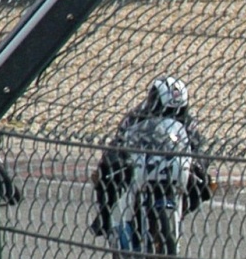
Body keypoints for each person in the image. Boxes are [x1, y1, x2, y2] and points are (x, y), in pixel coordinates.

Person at [89, 75, 214, 236]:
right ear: (154, 103)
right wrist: (116, 159)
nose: (173, 115)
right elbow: (118, 141)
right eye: (168, 111)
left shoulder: (188, 121)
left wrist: (200, 162)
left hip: (174, 164)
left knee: (205, 183)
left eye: (178, 111)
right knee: (105, 174)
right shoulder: (136, 116)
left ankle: (179, 211)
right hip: (142, 162)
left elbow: (198, 146)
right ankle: (104, 216)